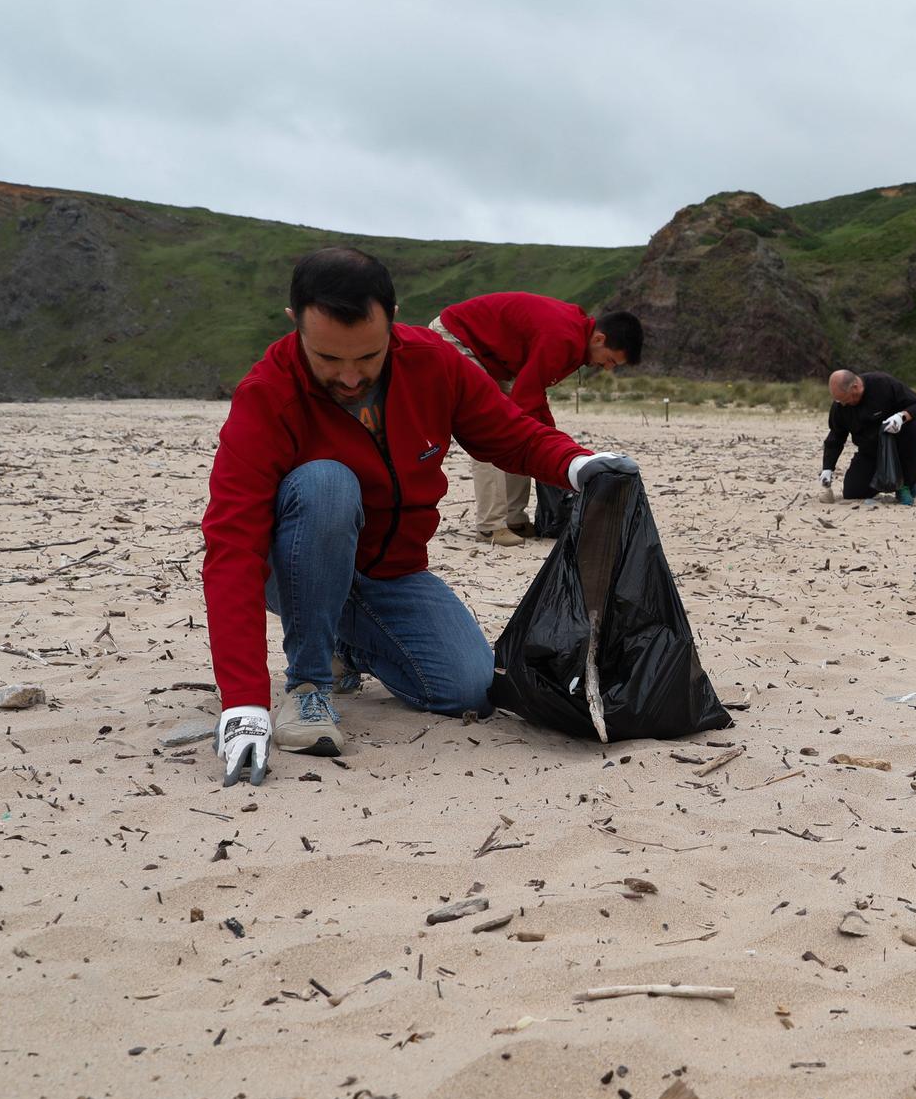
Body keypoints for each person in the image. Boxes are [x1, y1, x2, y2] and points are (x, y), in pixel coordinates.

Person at [203, 248, 639, 787]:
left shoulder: (433, 361)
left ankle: (344, 641)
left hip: (392, 574)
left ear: (392, 318)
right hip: (292, 566)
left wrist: (577, 464)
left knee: (466, 688)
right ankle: (308, 685)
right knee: (326, 483)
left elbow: (509, 433)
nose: (348, 376)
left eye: (367, 356)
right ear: (295, 323)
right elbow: (232, 547)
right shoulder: (267, 393)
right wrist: (243, 705)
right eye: (328, 358)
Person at [429, 292, 643, 546]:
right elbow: (525, 397)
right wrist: (553, 446)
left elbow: (532, 398)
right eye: (609, 360)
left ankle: (514, 518)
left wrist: (553, 444)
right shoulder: (562, 339)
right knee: (488, 429)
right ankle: (491, 526)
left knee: (524, 431)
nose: (608, 368)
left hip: (492, 358)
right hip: (456, 338)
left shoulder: (575, 339)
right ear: (599, 339)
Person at [818, 369, 916, 505]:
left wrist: (901, 417)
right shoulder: (840, 406)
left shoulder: (883, 383)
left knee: (913, 426)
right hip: (869, 451)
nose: (843, 404)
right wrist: (827, 468)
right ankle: (887, 482)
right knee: (852, 492)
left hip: (896, 445)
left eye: (845, 399)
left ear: (855, 387)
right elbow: (836, 436)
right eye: (839, 400)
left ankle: (906, 484)